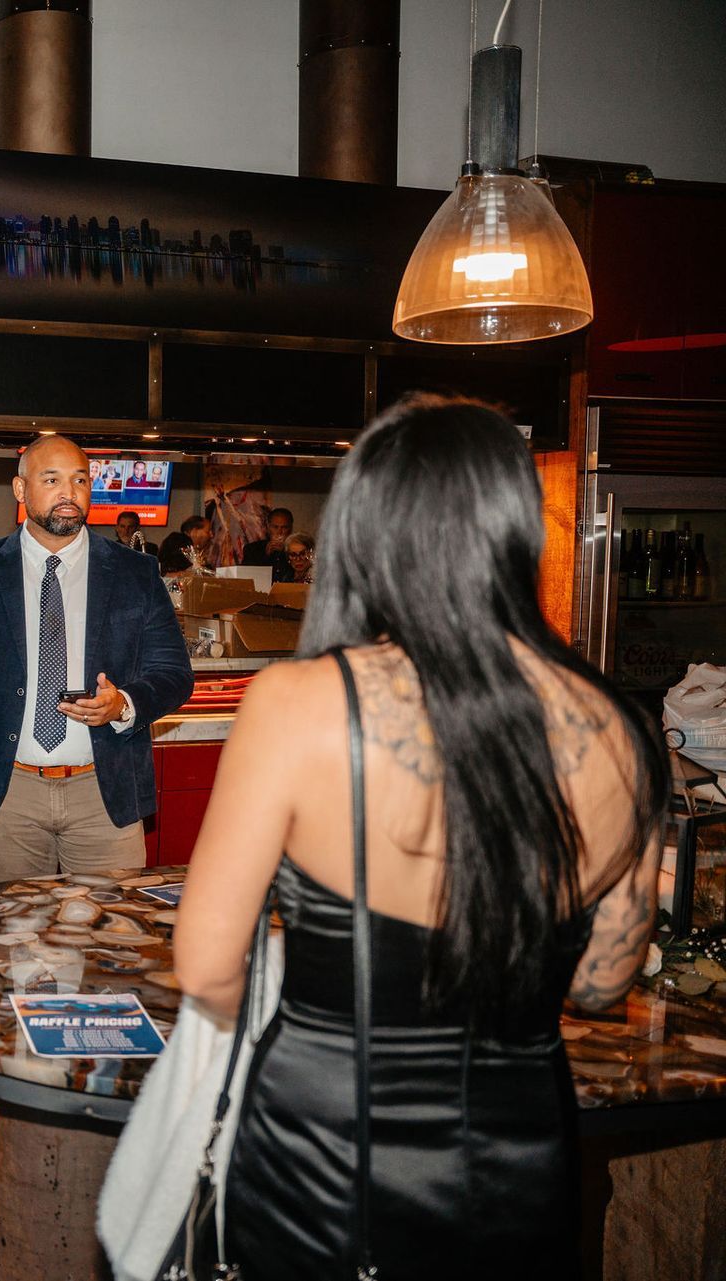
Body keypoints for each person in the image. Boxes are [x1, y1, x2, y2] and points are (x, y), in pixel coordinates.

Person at [173, 396, 667, 1277]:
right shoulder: (621, 730)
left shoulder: (298, 704)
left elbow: (208, 965)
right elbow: (599, 983)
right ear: (516, 526)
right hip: (518, 1160)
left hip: (322, 1158)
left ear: (366, 532)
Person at [0, 434, 194, 883]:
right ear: (21, 490)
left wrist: (123, 704)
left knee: (113, 940)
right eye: (52, 479)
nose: (69, 493)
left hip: (104, 793)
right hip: (10, 796)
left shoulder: (134, 573)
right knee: (19, 941)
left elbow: (174, 675)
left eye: (80, 480)